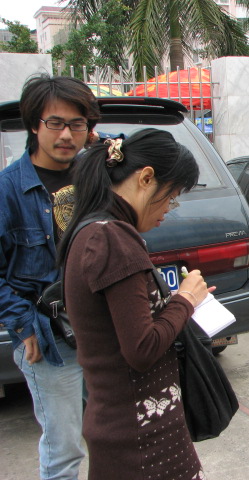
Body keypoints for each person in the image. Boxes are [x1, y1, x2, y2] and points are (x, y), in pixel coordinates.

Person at [58, 128, 210, 480]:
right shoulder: (112, 238)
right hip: (141, 439)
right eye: (171, 197)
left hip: (131, 427)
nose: (168, 210)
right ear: (146, 178)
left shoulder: (96, 229)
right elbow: (142, 348)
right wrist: (186, 299)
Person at [0, 74, 100, 479]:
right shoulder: (8, 190)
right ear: (33, 125)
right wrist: (22, 325)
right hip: (49, 339)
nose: (66, 135)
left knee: (114, 431)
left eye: (77, 124)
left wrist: (102, 143)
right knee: (64, 450)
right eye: (55, 123)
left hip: (100, 329)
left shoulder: (93, 175)